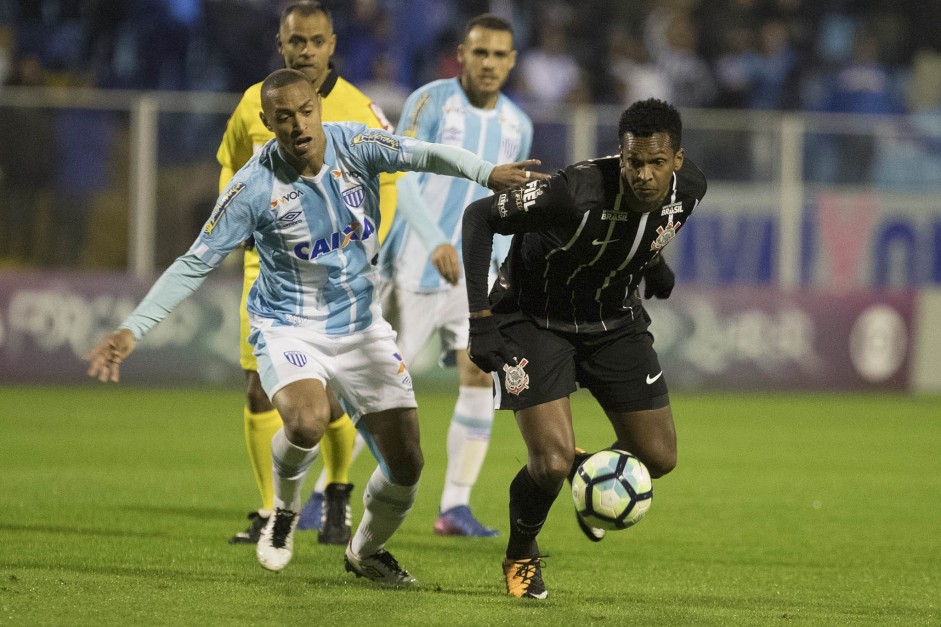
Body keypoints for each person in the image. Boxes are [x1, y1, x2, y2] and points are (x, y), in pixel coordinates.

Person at [86, 68, 540, 584]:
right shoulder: (253, 187)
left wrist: (486, 173)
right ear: (268, 122)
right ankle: (283, 512)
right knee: (307, 419)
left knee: (408, 465)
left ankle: (365, 552)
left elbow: (422, 153)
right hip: (288, 326)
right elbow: (195, 261)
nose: (299, 124)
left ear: (318, 109)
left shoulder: (357, 145)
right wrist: (132, 329)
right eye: (284, 117)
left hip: (362, 327)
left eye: (306, 111)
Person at [460, 98, 706, 599]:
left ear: (676, 161)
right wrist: (480, 320)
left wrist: (652, 265)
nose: (643, 174)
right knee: (549, 462)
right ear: (620, 155)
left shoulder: (692, 190)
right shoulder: (571, 192)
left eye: (657, 163)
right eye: (633, 162)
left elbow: (646, 229)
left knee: (658, 457)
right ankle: (522, 553)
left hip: (613, 321)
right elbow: (478, 217)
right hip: (532, 318)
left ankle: (589, 478)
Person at [216, 1, 397, 547]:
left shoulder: (358, 108)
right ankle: (273, 511)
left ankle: (337, 492)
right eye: (297, 42)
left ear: (332, 44)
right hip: (266, 267)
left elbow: (387, 181)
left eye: (316, 41)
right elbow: (230, 160)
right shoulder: (255, 101)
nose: (307, 51)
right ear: (281, 44)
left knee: (332, 395)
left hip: (336, 271)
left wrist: (371, 240)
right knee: (257, 391)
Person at [378, 13, 534, 538]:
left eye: (499, 55)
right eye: (480, 53)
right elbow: (399, 175)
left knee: (479, 375)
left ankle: (455, 507)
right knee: (379, 384)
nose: (489, 63)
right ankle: (328, 492)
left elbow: (509, 205)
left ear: (511, 62)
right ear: (462, 55)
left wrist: (501, 267)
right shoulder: (430, 101)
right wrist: (433, 239)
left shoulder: (518, 123)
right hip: (416, 267)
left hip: (475, 275)